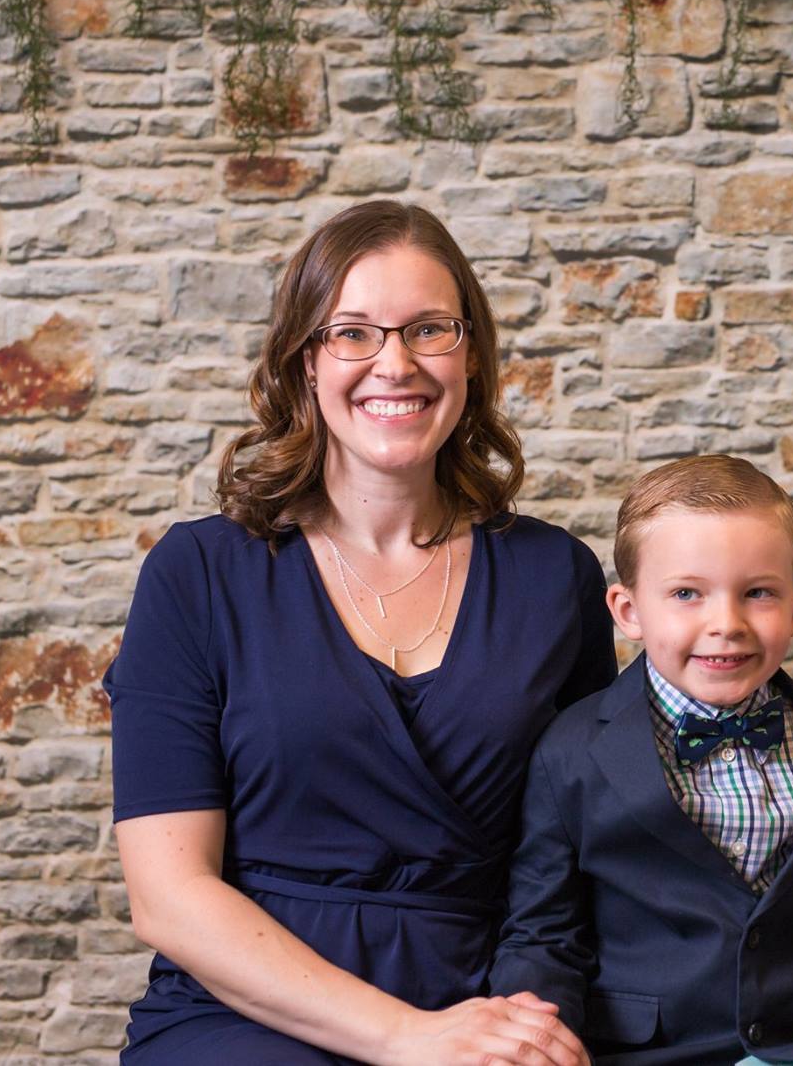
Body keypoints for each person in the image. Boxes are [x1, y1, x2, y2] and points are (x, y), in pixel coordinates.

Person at [104, 201, 614, 1064]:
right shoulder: (197, 574)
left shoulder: (554, 576)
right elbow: (168, 895)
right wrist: (407, 1037)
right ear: (305, 359)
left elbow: (592, 849)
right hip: (244, 1014)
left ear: (473, 353)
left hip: (487, 999)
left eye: (430, 329)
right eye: (353, 333)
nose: (396, 362)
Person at [490, 455, 793, 1065]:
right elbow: (544, 933)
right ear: (628, 611)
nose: (727, 624)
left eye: (758, 593)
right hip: (646, 1051)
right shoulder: (571, 748)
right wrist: (533, 1036)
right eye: (687, 593)